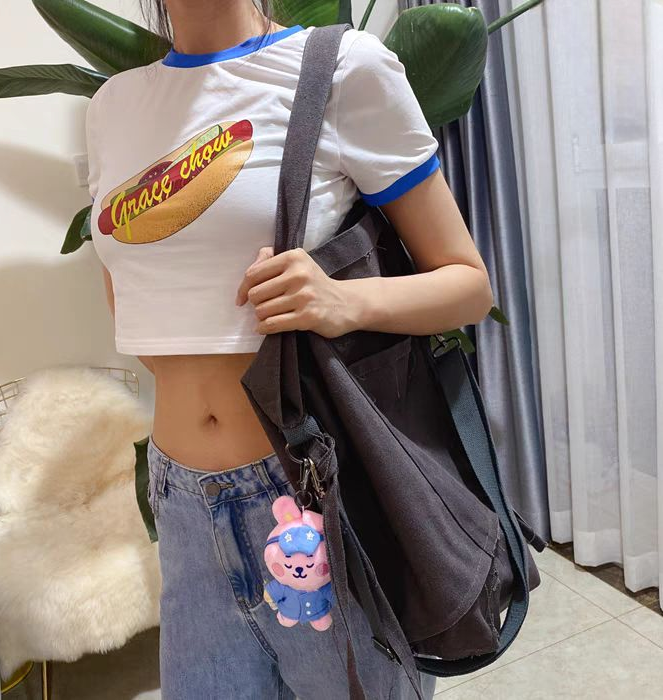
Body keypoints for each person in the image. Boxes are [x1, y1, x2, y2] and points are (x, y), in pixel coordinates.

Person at [85, 1, 493, 697]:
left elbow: (468, 285)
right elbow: (132, 295)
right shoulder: (113, 107)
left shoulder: (341, 69)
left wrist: (344, 301)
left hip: (310, 491)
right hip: (180, 499)